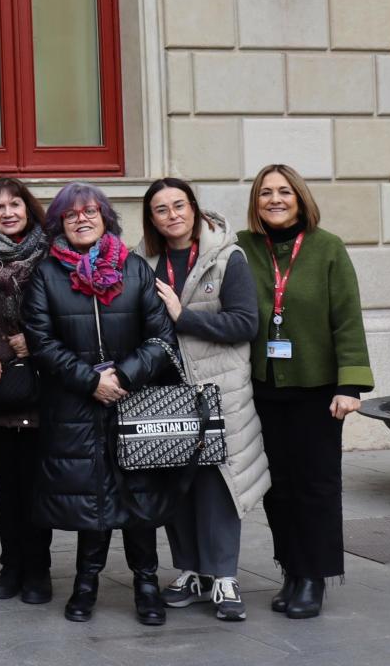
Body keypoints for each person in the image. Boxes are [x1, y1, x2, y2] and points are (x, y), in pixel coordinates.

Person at [22, 182, 180, 627]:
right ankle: (85, 583)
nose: (82, 219)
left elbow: (161, 338)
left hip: (134, 401)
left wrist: (124, 376)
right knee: (93, 496)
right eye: (71, 215)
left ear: (105, 217)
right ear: (59, 224)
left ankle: (146, 583)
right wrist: (90, 380)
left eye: (90, 211)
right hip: (75, 404)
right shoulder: (46, 274)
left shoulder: (134, 269)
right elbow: (41, 341)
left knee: (139, 495)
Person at [236, 164, 372, 620]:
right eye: (265, 193)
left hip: (317, 389)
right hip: (261, 387)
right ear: (255, 203)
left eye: (284, 192)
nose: (274, 200)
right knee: (277, 487)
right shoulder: (242, 247)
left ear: (300, 197)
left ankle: (314, 576)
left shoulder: (327, 247)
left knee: (315, 484)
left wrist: (350, 384)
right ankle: (291, 569)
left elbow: (347, 317)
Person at [141, 178, 268, 622]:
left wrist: (184, 316)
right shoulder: (144, 261)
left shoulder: (227, 258)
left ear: (194, 209)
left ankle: (224, 576)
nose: (172, 214)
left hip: (218, 389)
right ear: (152, 218)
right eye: (161, 209)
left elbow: (244, 324)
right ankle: (191, 571)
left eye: (179, 205)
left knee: (218, 482)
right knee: (177, 484)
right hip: (166, 389)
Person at [0, 177, 55, 606]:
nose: (7, 212)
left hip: (45, 385)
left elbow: (64, 315)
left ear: (28, 208)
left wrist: (34, 342)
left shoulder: (53, 253)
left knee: (38, 482)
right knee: (6, 484)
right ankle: (11, 566)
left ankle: (38, 569)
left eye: (15, 204)